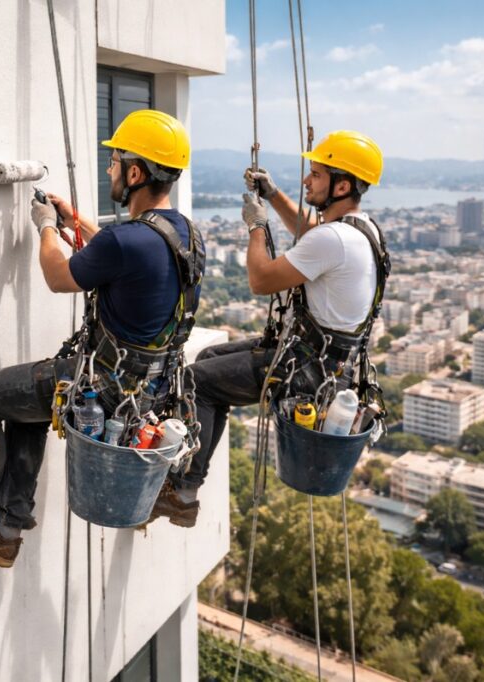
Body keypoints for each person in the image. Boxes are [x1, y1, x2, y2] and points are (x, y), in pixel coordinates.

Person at [0, 109, 204, 568]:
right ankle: (7, 527)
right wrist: (76, 220)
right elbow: (124, 253)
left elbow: (59, 275)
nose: (109, 169)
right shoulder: (186, 234)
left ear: (135, 171)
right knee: (26, 405)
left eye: (115, 163)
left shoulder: (127, 240)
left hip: (101, 387)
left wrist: (47, 226)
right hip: (149, 389)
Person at [148, 130, 390, 528]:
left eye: (316, 174)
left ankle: (184, 491)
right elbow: (311, 232)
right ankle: (187, 482)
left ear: (341, 185)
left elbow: (260, 280)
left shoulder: (334, 238)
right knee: (209, 360)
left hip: (305, 372)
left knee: (197, 381)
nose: (307, 181)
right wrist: (273, 195)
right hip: (326, 364)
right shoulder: (362, 231)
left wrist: (257, 227)